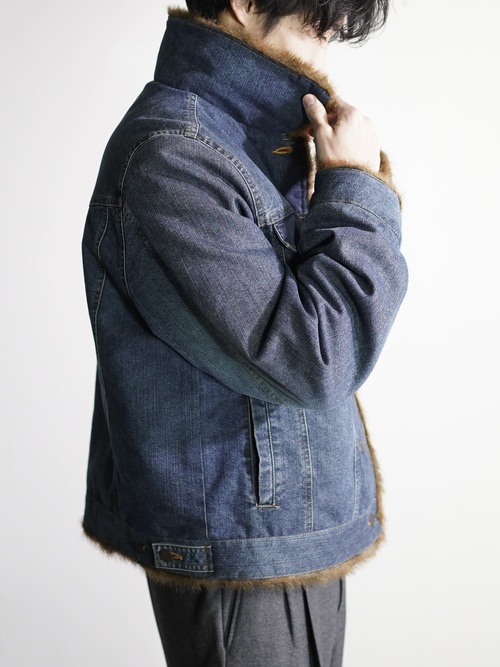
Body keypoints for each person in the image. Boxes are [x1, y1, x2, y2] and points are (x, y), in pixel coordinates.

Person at [81, 0, 408, 664]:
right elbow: (315, 358)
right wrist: (354, 186)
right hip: (243, 535)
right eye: (316, 24)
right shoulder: (173, 153)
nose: (325, 50)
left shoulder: (247, 136)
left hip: (275, 527)